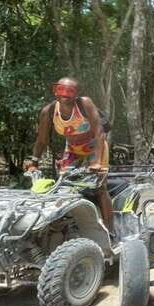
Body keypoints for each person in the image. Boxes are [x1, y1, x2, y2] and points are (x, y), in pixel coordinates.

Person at [26, 77, 111, 229]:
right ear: (55, 91)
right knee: (63, 185)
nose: (64, 94)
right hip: (72, 149)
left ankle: (110, 229)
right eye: (60, 89)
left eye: (70, 91)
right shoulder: (49, 111)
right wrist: (34, 163)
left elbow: (99, 132)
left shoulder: (84, 104)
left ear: (77, 94)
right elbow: (41, 140)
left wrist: (97, 162)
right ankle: (68, 225)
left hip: (94, 146)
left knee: (99, 187)